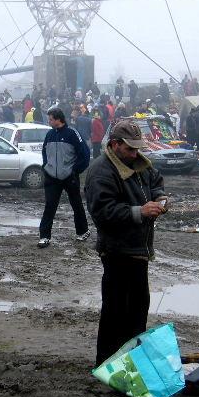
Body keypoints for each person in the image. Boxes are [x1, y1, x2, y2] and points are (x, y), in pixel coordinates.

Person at [84, 119, 167, 366]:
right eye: (130, 149)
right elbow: (103, 213)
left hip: (138, 250)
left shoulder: (140, 165)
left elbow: (156, 182)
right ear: (115, 144)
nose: (135, 153)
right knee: (116, 311)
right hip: (117, 251)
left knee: (138, 309)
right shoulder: (101, 171)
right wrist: (140, 212)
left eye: (137, 148)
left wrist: (161, 199)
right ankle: (107, 362)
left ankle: (132, 361)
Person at [37, 108, 91, 248]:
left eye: (50, 119)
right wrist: (46, 167)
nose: (49, 122)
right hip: (52, 178)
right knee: (49, 206)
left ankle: (82, 231)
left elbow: (85, 155)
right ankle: (44, 236)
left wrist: (74, 171)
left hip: (69, 177)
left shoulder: (72, 133)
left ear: (58, 119)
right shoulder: (49, 134)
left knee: (76, 204)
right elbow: (44, 152)